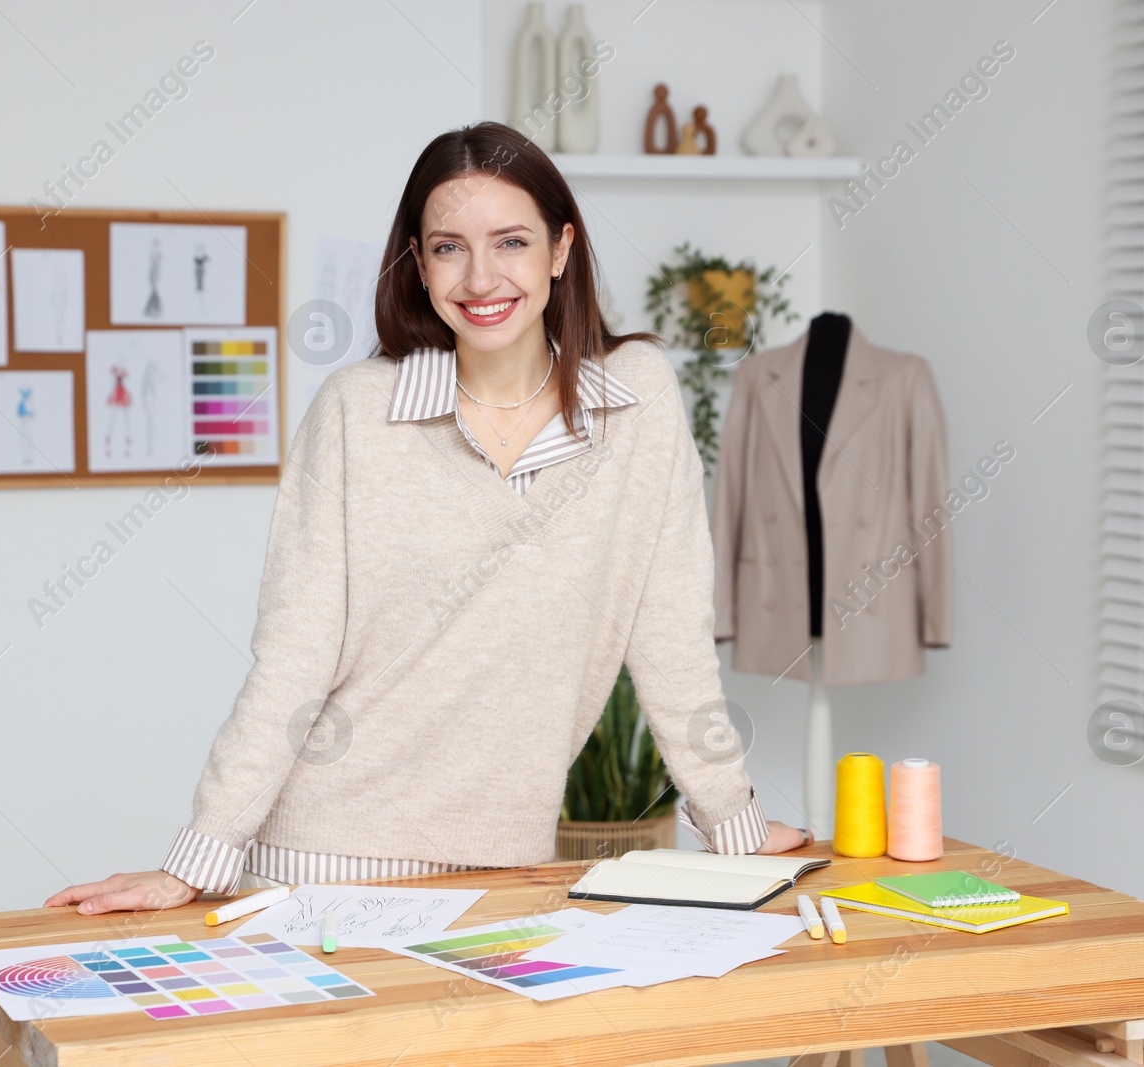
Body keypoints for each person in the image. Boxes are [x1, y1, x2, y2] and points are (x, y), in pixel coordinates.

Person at [46, 121, 811, 916]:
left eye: (511, 241)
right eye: (449, 247)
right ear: (418, 262)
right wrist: (200, 854)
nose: (481, 277)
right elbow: (293, 660)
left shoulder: (637, 398)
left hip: (509, 866)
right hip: (324, 861)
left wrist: (733, 825)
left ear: (560, 248)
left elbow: (671, 639)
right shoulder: (356, 411)